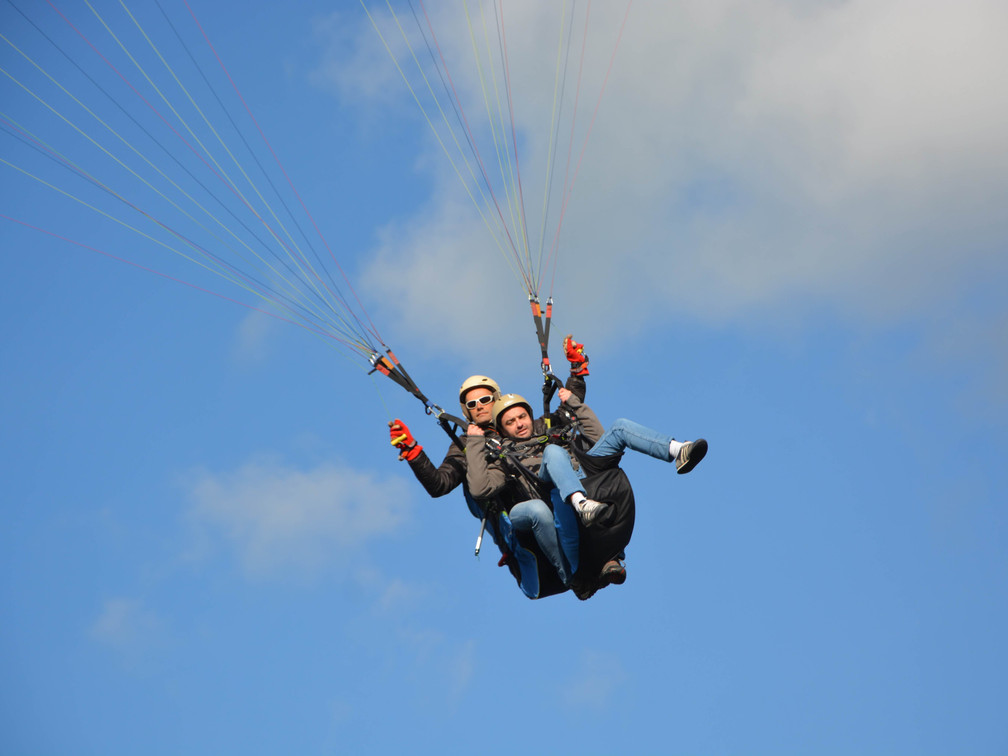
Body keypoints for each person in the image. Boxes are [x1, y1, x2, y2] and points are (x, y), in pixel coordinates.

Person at [469, 388, 707, 597]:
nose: (519, 424)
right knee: (552, 457)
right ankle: (580, 505)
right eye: (510, 422)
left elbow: (596, 437)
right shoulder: (505, 460)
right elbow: (480, 489)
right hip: (550, 504)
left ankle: (678, 450)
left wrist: (574, 402)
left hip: (584, 484)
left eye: (522, 417)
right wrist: (474, 444)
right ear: (501, 429)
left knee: (619, 427)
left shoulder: (549, 437)